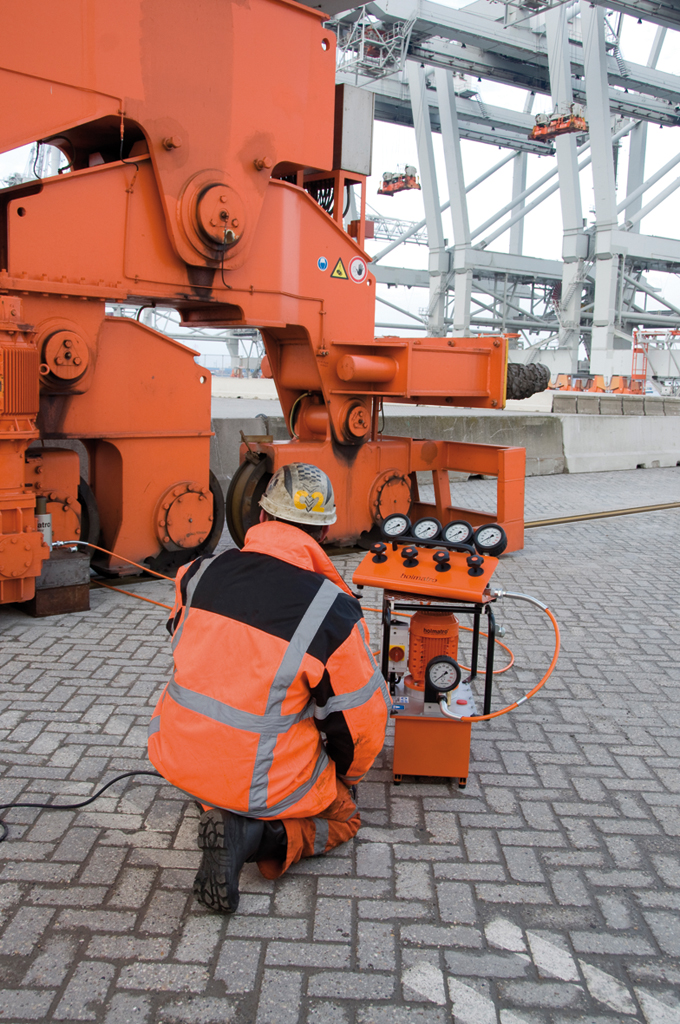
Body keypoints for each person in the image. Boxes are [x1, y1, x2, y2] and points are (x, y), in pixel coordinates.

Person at [148, 463, 390, 913]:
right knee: (344, 816)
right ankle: (254, 836)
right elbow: (363, 724)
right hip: (259, 779)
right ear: (324, 531)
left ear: (260, 517)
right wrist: (344, 778)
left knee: (227, 771)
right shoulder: (331, 610)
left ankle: (215, 804)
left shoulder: (197, 572)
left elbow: (186, 640)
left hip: (178, 756)